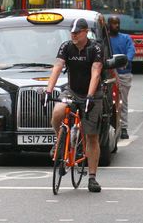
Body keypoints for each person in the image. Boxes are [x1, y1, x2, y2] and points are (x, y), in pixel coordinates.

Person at [44, 18, 104, 193]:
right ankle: (60, 142)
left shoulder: (95, 48)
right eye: (72, 32)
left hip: (92, 94)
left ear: (85, 32)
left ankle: (92, 177)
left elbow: (96, 72)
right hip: (72, 91)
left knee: (91, 136)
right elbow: (57, 66)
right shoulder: (66, 46)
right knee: (57, 112)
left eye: (77, 32)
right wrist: (48, 91)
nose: (73, 35)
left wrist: (90, 97)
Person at [108, 16, 135, 139]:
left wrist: (126, 61)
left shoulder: (126, 38)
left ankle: (123, 127)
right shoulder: (105, 39)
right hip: (108, 73)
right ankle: (111, 125)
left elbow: (131, 51)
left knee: (122, 101)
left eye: (118, 23)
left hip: (123, 73)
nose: (116, 26)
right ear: (109, 25)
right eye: (114, 23)